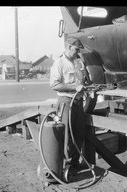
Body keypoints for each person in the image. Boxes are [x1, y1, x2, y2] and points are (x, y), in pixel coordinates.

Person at [49, 37, 86, 176]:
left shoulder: (78, 63)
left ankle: (73, 165)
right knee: (66, 136)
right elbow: (54, 85)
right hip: (66, 101)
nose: (78, 52)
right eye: (76, 49)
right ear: (69, 47)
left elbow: (82, 81)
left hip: (78, 102)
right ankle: (64, 167)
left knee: (79, 133)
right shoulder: (59, 63)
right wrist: (74, 87)